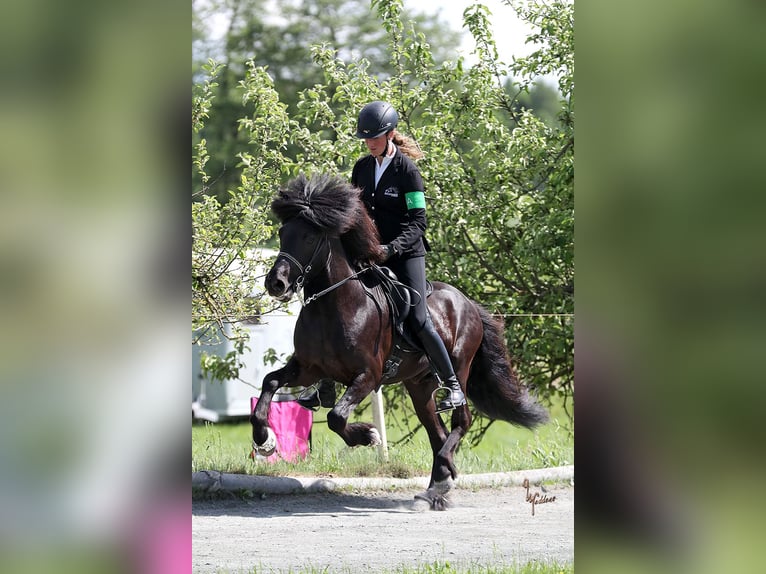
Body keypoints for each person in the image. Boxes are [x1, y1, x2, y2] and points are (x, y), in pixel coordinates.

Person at [297, 100, 466, 413]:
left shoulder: (408, 172)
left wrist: (392, 248)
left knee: (418, 316)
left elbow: (419, 222)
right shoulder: (362, 168)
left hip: (405, 254)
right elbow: (351, 213)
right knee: (339, 303)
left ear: (390, 134)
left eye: (374, 137)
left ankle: (452, 385)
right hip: (370, 252)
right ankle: (326, 384)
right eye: (365, 138)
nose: (369, 143)